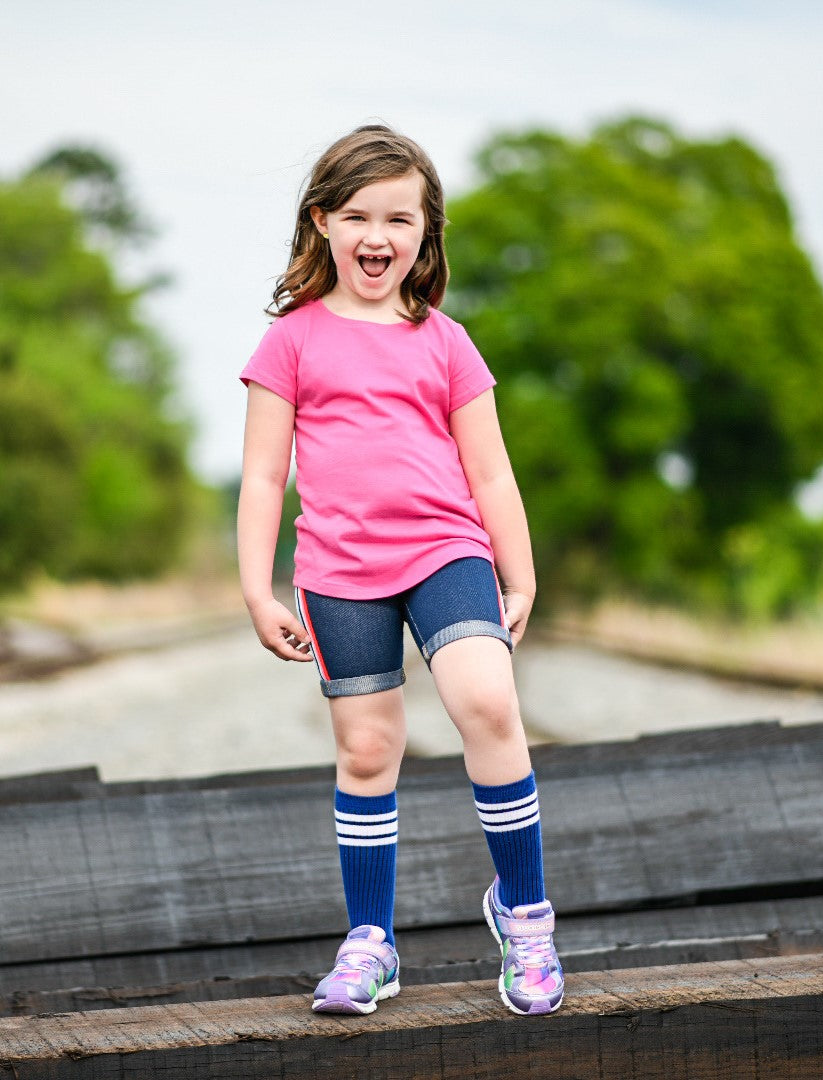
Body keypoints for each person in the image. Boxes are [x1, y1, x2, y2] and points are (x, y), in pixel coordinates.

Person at [237, 124, 564, 1018]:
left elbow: (492, 470)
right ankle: (371, 944)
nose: (377, 237)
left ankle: (525, 917)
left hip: (446, 552)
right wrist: (257, 590)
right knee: (369, 747)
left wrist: (519, 573)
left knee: (489, 704)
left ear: (426, 233)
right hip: (340, 571)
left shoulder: (448, 343)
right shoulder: (290, 344)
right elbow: (265, 475)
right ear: (323, 224)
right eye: (357, 216)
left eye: (399, 218)